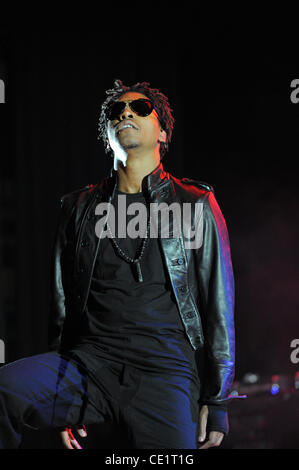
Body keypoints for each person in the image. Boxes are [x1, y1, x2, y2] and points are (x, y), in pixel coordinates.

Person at [0, 79, 237, 449]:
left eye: (141, 108)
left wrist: (217, 398)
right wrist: (60, 406)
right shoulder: (77, 208)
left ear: (162, 132)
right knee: (4, 389)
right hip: (88, 367)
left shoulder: (195, 204)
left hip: (165, 372)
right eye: (116, 111)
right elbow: (61, 305)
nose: (126, 113)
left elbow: (219, 306)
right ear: (107, 134)